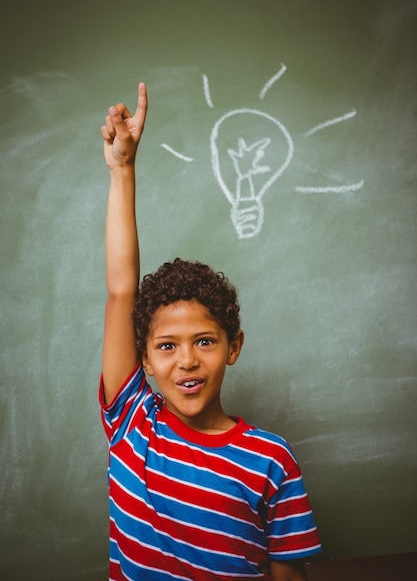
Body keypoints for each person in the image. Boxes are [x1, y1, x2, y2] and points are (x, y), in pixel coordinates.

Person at [99, 83, 321, 581]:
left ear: (233, 347)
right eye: (166, 347)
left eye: (205, 341)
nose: (187, 360)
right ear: (145, 360)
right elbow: (120, 288)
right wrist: (122, 171)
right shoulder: (132, 423)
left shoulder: (271, 459)